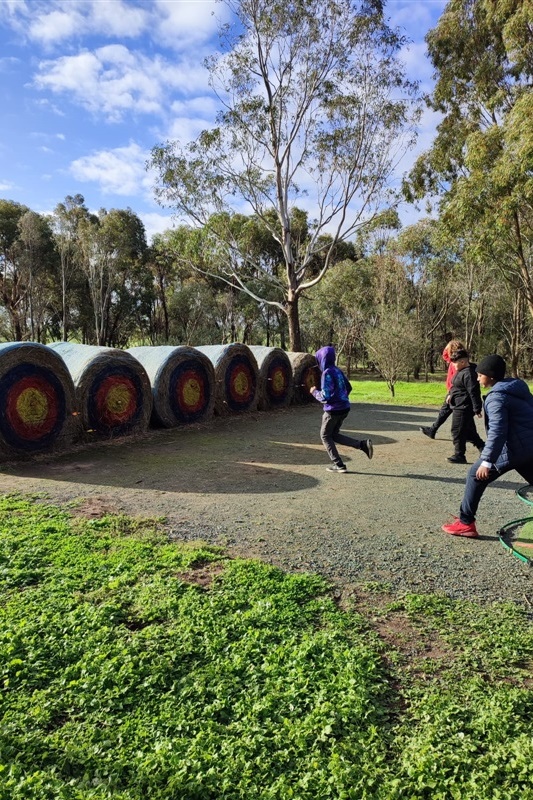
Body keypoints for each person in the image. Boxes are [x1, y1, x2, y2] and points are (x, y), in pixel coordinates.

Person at [442, 354, 533, 538]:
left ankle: (466, 523)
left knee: (475, 476)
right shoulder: (518, 388)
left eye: (480, 375)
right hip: (529, 447)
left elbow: (498, 432)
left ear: (490, 376)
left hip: (512, 448)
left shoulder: (496, 398)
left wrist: (487, 461)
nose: (477, 378)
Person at [310, 345, 373, 473]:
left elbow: (325, 396)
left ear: (322, 359)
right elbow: (348, 387)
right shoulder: (337, 370)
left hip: (333, 410)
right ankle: (362, 445)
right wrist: (342, 398)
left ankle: (338, 464)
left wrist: (314, 392)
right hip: (344, 408)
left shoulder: (327, 373)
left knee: (325, 436)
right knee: (333, 434)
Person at [420, 338, 466, 439]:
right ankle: (433, 430)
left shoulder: (455, 364)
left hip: (454, 391)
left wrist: (451, 393)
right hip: (452, 391)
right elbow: (444, 355)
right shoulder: (453, 360)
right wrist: (450, 344)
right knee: (444, 412)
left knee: (446, 412)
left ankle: (433, 430)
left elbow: (457, 380)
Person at [446, 349, 485, 464]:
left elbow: (474, 392)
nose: (453, 365)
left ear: (463, 362)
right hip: (458, 404)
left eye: (455, 362)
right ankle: (483, 449)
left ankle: (459, 455)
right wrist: (450, 394)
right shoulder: (461, 371)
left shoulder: (469, 373)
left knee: (457, 431)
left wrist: (477, 408)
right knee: (469, 431)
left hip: (463, 407)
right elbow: (455, 385)